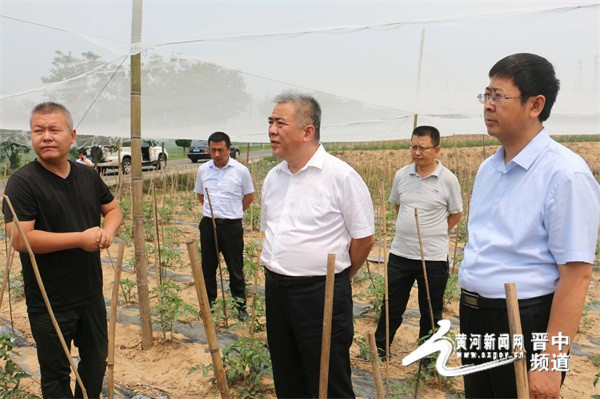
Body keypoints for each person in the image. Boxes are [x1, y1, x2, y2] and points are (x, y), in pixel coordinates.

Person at [458, 53, 600, 398]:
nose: (488, 106)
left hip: (523, 321)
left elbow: (577, 274)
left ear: (536, 104)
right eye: (486, 95)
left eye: (499, 96)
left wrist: (551, 362)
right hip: (475, 316)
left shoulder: (565, 174)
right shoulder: (488, 169)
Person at [2, 102, 123, 398]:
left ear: (72, 135)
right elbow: (20, 239)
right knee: (56, 374)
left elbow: (114, 210)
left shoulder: (87, 176)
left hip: (90, 292)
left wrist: (106, 233)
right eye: (38, 130)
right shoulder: (22, 183)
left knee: (95, 363)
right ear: (31, 136)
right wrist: (80, 239)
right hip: (49, 299)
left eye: (54, 130)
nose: (46, 137)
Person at [261, 91, 375, 398]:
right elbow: (270, 230)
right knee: (287, 373)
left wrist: (339, 279)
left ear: (307, 131)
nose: (271, 129)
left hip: (321, 293)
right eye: (270, 121)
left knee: (328, 378)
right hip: (276, 289)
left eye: (280, 122)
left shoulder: (341, 177)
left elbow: (364, 238)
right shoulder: (273, 178)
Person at [374, 125, 462, 358]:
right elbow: (397, 206)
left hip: (432, 257)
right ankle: (380, 349)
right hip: (400, 254)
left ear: (437, 150)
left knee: (431, 310)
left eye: (422, 148)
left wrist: (436, 232)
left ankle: (428, 356)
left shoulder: (448, 180)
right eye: (413, 147)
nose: (417, 152)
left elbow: (456, 213)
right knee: (391, 305)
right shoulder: (402, 175)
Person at [194, 131, 254, 320]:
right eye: (213, 150)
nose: (217, 154)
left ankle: (240, 307)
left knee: (235, 268)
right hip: (208, 225)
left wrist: (234, 212)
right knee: (208, 267)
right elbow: (200, 196)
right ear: (209, 150)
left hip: (231, 227)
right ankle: (209, 305)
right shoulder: (203, 170)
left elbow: (249, 196)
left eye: (221, 150)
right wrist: (215, 214)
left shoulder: (240, 170)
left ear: (229, 149)